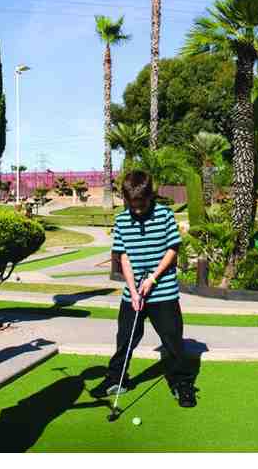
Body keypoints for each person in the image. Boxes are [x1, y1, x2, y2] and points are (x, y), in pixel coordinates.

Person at [90, 170, 197, 407]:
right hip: (134, 292)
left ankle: (182, 383)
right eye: (132, 205)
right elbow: (124, 256)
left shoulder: (164, 214)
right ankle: (116, 379)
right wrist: (133, 290)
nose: (137, 210)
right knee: (125, 338)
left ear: (150, 196)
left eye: (141, 205)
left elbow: (172, 250)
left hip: (163, 290)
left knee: (172, 339)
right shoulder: (122, 220)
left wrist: (152, 279)